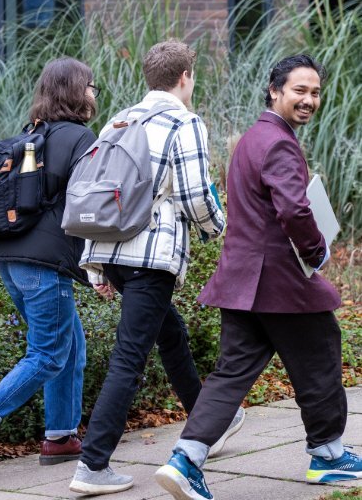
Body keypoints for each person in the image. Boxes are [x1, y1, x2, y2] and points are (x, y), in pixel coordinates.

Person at [155, 54, 362, 500]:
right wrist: (316, 250)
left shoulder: (251, 139)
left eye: (315, 92)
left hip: (242, 279)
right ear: (274, 90)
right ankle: (328, 456)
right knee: (322, 354)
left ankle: (185, 458)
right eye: (299, 91)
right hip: (281, 281)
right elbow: (293, 208)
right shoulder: (281, 144)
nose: (309, 100)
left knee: (231, 373)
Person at [69, 40, 236, 496]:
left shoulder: (119, 119)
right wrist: (219, 228)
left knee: (172, 336)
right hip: (150, 258)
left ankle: (210, 421)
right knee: (130, 359)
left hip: (117, 255)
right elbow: (195, 195)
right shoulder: (184, 122)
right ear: (185, 78)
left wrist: (95, 264)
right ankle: (92, 464)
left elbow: (96, 193)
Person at [0, 58, 99, 479]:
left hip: (10, 259)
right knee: (48, 353)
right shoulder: (81, 137)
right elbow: (90, 205)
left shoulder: (33, 135)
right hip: (43, 264)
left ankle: (61, 437)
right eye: (90, 87)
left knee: (70, 347)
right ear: (74, 92)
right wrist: (101, 262)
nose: (93, 94)